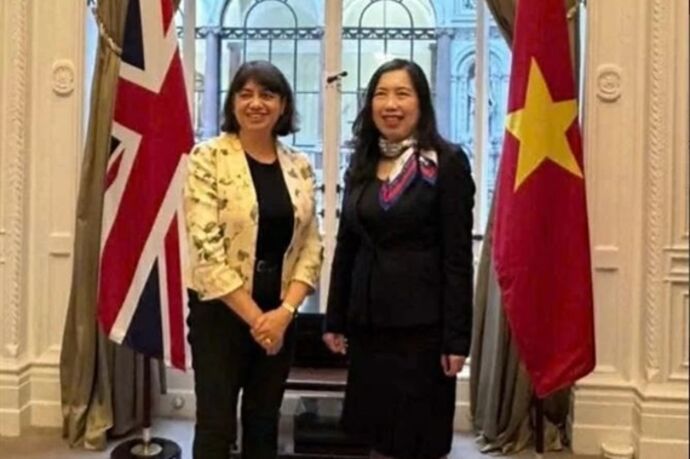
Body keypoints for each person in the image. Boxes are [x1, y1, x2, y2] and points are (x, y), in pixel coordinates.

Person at [323, 59, 475, 459]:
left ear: (421, 103)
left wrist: (457, 339)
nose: (391, 104)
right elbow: (347, 245)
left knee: (415, 440)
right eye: (381, 94)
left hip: (422, 332)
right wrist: (335, 316)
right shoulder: (362, 160)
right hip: (368, 327)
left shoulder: (446, 163)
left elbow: (457, 258)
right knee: (375, 436)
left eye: (402, 94)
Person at [183, 60, 323, 459]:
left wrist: (284, 314)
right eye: (245, 94)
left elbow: (312, 246)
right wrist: (260, 321)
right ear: (233, 103)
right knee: (216, 426)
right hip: (220, 314)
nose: (255, 103)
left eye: (267, 95)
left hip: (281, 314)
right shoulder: (207, 157)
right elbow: (206, 249)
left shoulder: (299, 166)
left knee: (264, 421)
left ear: (283, 105)